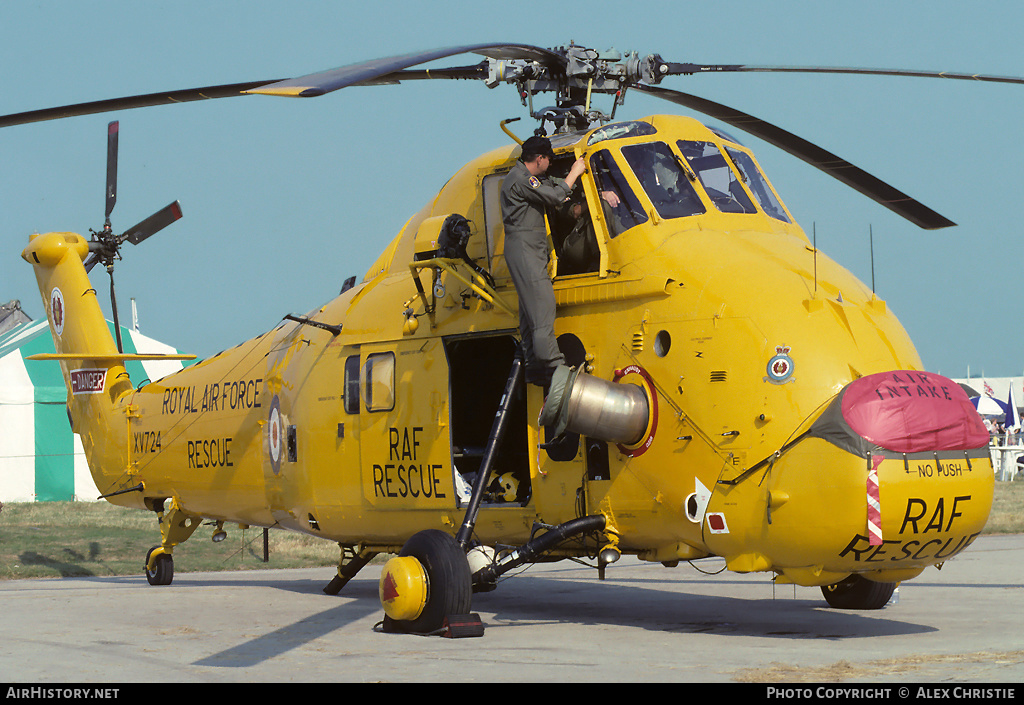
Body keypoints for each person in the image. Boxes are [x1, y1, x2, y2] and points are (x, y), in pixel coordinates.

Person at [500, 135, 586, 387]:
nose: (550, 164)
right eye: (548, 159)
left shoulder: (526, 178)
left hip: (529, 249)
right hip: (525, 250)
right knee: (542, 308)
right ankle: (555, 368)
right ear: (539, 159)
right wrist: (574, 173)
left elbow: (549, 185)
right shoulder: (521, 180)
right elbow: (554, 197)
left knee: (530, 315)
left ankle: (536, 371)